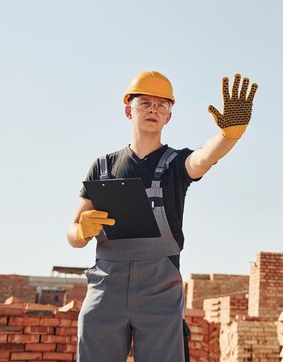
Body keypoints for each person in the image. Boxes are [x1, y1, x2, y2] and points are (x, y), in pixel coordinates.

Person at [66, 71, 258, 362]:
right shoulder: (102, 168)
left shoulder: (175, 165)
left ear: (169, 116)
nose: (153, 109)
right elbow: (73, 235)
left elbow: (204, 158)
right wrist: (81, 230)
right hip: (106, 289)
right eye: (145, 102)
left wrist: (227, 136)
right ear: (128, 110)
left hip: (159, 292)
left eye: (162, 104)